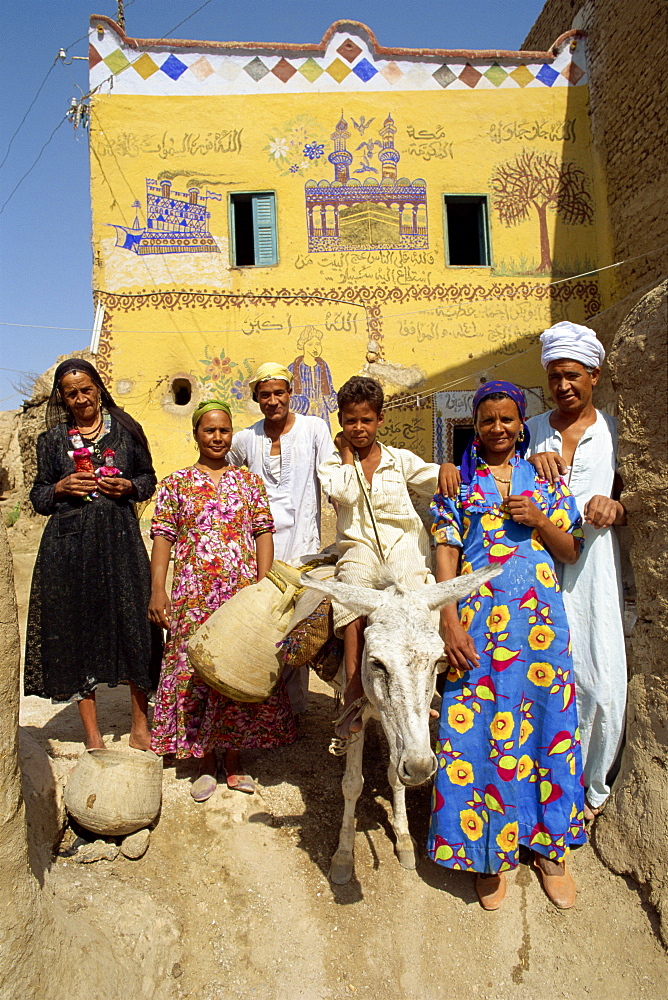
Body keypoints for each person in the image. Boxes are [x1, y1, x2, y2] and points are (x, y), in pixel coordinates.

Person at [428, 380, 586, 910]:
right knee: (474, 734)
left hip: (541, 631)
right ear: (477, 424)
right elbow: (446, 552)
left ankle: (548, 848)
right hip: (477, 630)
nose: (498, 429)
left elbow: (568, 550)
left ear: (522, 424)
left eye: (507, 420)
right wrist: (449, 620)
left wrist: (539, 519)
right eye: (488, 420)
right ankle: (483, 853)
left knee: (548, 728)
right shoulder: (457, 483)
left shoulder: (547, 479)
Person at [148, 399, 296, 801]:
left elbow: (263, 532)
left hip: (239, 596)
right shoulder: (176, 483)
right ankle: (203, 761)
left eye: (224, 430)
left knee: (235, 672)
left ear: (232, 434)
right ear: (195, 434)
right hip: (192, 596)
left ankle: (233, 760)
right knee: (196, 673)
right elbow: (163, 537)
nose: (217, 437)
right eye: (209, 430)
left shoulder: (248, 483)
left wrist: (264, 589)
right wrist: (158, 588)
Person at [24, 358, 162, 751]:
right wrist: (63, 486)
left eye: (86, 389)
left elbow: (147, 478)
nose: (81, 399)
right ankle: (92, 735)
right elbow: (38, 496)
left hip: (120, 542)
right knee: (77, 630)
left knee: (135, 626)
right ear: (63, 399)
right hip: (68, 548)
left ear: (98, 388)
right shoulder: (52, 441)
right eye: (72, 393)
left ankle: (140, 726)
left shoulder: (126, 430)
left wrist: (128, 488)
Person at [525, 321, 627, 821]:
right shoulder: (533, 431)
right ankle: (543, 786)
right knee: (544, 678)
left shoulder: (614, 430)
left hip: (595, 572)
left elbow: (640, 494)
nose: (563, 386)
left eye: (572, 376)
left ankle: (590, 789)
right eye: (554, 377)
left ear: (594, 374)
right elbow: (496, 471)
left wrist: (618, 507)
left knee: (600, 680)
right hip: (539, 571)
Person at [318, 375, 445, 746]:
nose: (358, 428)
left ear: (380, 420)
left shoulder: (399, 460)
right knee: (353, 590)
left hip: (403, 545)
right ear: (340, 421)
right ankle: (356, 684)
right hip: (359, 547)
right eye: (350, 421)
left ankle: (425, 687)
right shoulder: (331, 464)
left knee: (419, 594)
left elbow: (435, 479)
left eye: (366, 420)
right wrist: (346, 454)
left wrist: (450, 469)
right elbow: (343, 491)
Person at [227, 362, 335, 715]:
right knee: (263, 620)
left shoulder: (314, 428)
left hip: (303, 546)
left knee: (296, 626)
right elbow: (221, 468)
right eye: (265, 395)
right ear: (257, 399)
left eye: (279, 393)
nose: (273, 401)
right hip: (259, 547)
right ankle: (261, 705)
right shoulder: (246, 438)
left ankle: (293, 712)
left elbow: (332, 475)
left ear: (290, 394)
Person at [288, 326, 338, 429]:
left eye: (317, 344)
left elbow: (329, 391)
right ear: (303, 346)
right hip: (302, 415)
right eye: (310, 344)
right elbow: (288, 396)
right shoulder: (293, 368)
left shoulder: (323, 366)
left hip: (321, 414)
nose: (315, 348)